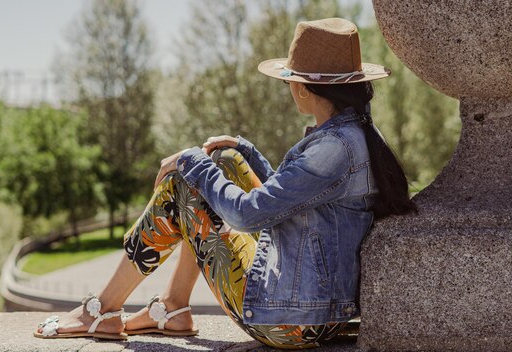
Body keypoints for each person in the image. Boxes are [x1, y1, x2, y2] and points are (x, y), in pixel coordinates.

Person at [34, 18, 416, 349]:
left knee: (181, 189)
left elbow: (249, 215)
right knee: (226, 161)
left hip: (289, 322)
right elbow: (293, 199)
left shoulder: (331, 149)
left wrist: (190, 160)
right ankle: (172, 308)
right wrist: (245, 151)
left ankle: (102, 309)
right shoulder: (354, 135)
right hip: (317, 308)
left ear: (303, 88)